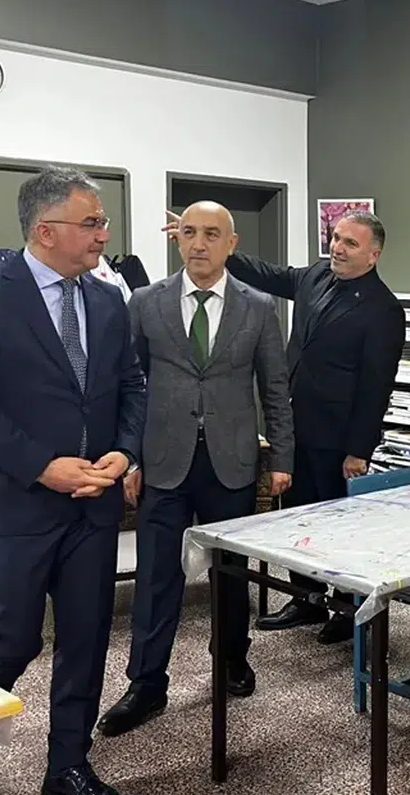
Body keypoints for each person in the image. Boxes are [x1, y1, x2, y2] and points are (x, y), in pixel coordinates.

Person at [0, 166, 146, 795]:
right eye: (92, 223)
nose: (104, 235)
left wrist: (126, 450)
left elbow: (132, 387)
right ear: (45, 230)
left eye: (102, 222)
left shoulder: (108, 300)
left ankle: (68, 768)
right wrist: (42, 467)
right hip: (12, 509)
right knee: (8, 643)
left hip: (92, 509)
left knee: (86, 640)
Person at [96, 202, 293, 738]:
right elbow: (128, 387)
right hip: (164, 462)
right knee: (157, 576)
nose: (199, 243)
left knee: (230, 572)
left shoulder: (259, 307)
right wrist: (129, 456)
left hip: (232, 462)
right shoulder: (146, 303)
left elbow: (275, 389)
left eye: (211, 234)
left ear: (232, 243)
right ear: (177, 239)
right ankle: (146, 683)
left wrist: (281, 459)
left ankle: (231, 657)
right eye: (189, 232)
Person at [163, 208, 404, 644]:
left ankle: (347, 607)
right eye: (335, 237)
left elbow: (376, 387)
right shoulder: (315, 276)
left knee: (339, 525)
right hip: (296, 428)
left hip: (339, 438)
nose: (337, 248)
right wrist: (215, 245)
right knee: (296, 518)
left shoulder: (383, 309)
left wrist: (359, 450)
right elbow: (267, 274)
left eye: (350, 243)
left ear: (374, 254)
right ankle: (306, 598)